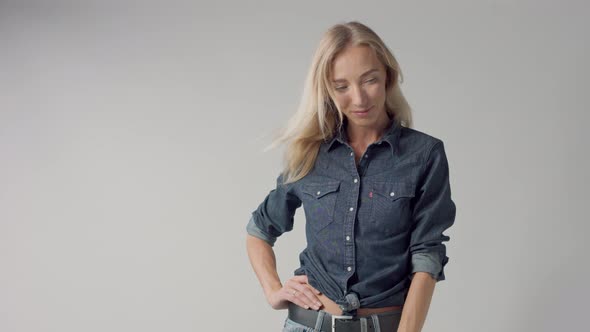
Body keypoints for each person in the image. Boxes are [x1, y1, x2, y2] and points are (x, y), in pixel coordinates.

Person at [246, 21, 456, 332]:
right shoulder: (309, 153)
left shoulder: (424, 154)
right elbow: (259, 229)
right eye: (341, 86)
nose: (358, 99)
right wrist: (273, 290)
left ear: (388, 76)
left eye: (369, 80)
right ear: (327, 89)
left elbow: (427, 253)